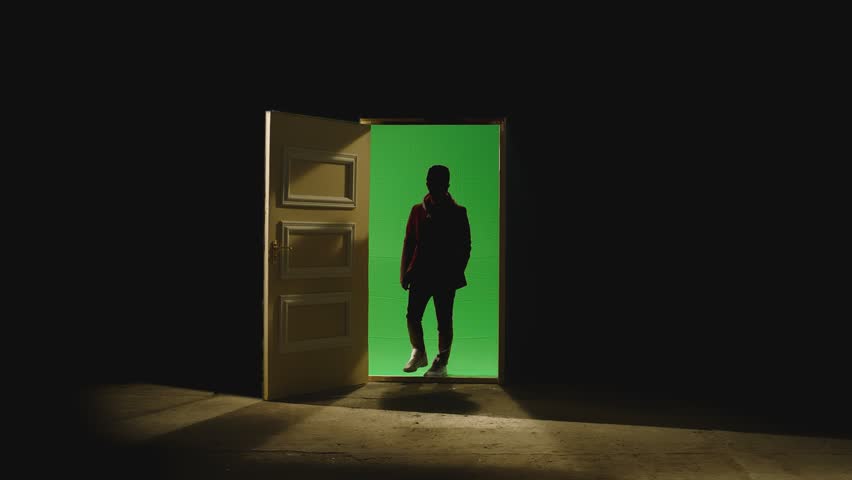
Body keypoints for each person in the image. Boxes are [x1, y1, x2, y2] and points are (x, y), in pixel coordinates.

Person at [400, 165, 471, 377]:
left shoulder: (458, 212)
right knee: (412, 315)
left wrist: (455, 271)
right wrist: (404, 273)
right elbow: (409, 242)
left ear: (447, 184)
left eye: (437, 181)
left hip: (445, 277)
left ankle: (441, 362)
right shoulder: (417, 210)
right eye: (429, 180)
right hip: (420, 274)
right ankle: (419, 352)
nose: (431, 184)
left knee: (444, 320)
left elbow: (465, 246)